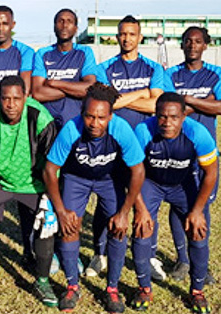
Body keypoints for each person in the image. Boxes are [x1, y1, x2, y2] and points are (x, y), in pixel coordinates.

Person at [42, 83, 146, 312]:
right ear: (82, 113)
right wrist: (60, 210)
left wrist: (125, 212)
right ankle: (72, 286)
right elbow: (50, 170)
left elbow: (138, 171)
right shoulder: (71, 129)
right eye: (89, 116)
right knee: (70, 226)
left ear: (111, 115)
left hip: (110, 178)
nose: (94, 123)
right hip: (76, 178)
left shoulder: (121, 129)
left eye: (101, 117)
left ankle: (112, 288)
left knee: (117, 228)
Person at [0, 75, 59, 307]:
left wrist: (47, 201)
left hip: (34, 183)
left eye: (17, 98)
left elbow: (51, 166)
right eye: (5, 98)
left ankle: (43, 281)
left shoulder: (41, 118)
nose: (11, 104)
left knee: (46, 225)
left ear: (26, 97)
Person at [87, 15, 167, 279]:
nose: (127, 39)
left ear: (139, 37)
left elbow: (157, 105)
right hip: (111, 145)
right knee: (107, 201)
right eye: (122, 34)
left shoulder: (154, 68)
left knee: (147, 203)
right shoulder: (104, 68)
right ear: (117, 36)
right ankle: (100, 255)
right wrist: (143, 93)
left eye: (132, 34)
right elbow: (105, 103)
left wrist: (123, 99)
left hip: (145, 145)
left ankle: (149, 256)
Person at [132, 93, 218, 314]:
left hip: (184, 184)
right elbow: (131, 172)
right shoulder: (143, 131)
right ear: (155, 115)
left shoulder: (198, 133)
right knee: (142, 229)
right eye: (161, 117)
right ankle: (144, 288)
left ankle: (197, 291)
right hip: (151, 183)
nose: (167, 123)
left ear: (183, 116)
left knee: (198, 232)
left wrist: (198, 210)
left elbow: (211, 173)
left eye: (173, 117)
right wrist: (140, 208)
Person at [161, 26, 221, 281]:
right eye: (188, 41)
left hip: (205, 151)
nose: (192, 45)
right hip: (177, 150)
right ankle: (182, 260)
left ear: (206, 45)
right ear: (181, 45)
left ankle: (201, 261)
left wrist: (187, 99)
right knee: (178, 205)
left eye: (198, 41)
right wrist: (204, 101)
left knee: (203, 205)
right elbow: (170, 112)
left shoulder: (217, 74)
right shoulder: (170, 74)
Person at [32, 8, 99, 129]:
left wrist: (54, 83)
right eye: (60, 21)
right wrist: (75, 88)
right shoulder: (42, 53)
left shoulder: (85, 52)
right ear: (54, 26)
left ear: (76, 28)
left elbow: (89, 88)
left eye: (69, 21)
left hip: (76, 124)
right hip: (47, 125)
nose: (65, 25)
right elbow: (38, 93)